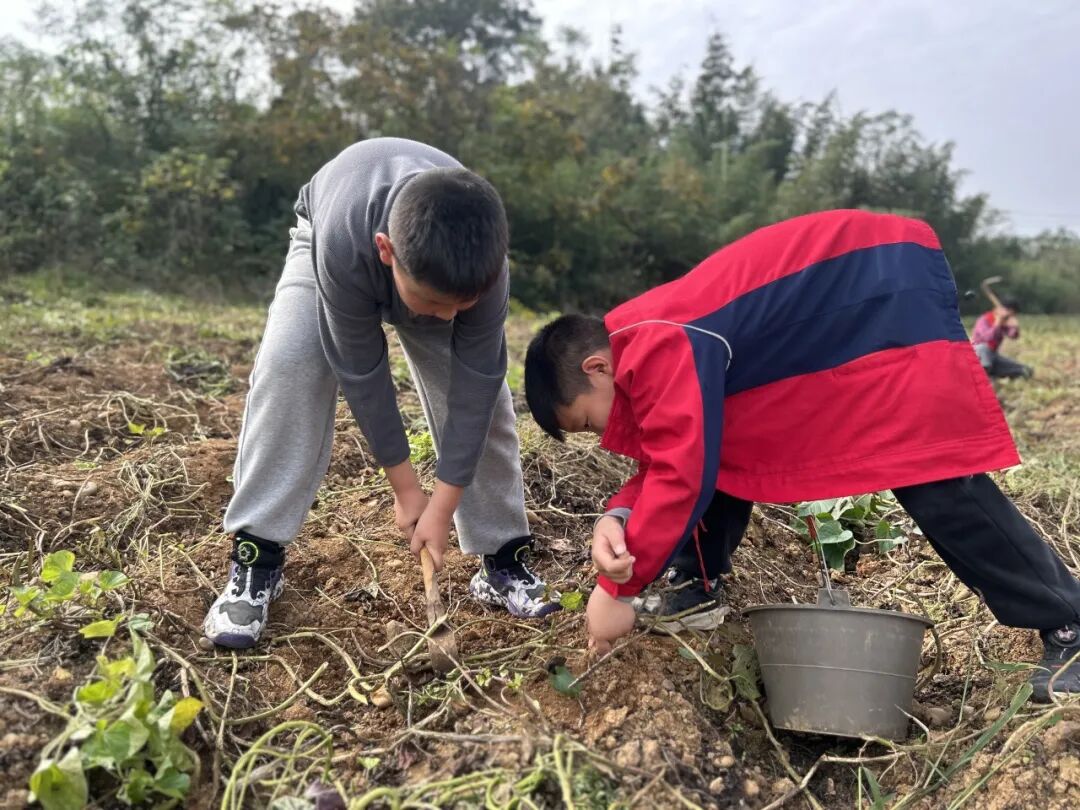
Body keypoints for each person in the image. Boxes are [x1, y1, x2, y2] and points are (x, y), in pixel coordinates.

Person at [523, 209, 1080, 701]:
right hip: (849, 301)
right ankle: (695, 586)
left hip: (876, 291)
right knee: (726, 453)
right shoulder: (639, 342)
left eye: (589, 421)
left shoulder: (659, 340)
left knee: (929, 472)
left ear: (597, 368)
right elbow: (675, 452)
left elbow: (682, 471)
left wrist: (616, 588)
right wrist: (619, 517)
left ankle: (1067, 624)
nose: (602, 435)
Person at [204, 138, 559, 649]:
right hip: (326, 236)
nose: (447, 318)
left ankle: (502, 558)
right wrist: (408, 491)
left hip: (439, 267)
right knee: (291, 364)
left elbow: (475, 391)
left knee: (493, 405)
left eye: (464, 305)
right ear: (385, 251)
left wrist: (441, 507)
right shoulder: (346, 245)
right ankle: (256, 557)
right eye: (436, 304)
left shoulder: (479, 269)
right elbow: (362, 372)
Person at [971, 276, 1033, 379]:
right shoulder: (984, 319)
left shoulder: (1006, 321)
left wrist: (1015, 327)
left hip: (992, 356)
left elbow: (1013, 336)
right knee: (984, 348)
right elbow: (987, 338)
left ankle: (991, 373)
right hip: (977, 355)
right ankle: (982, 375)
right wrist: (997, 323)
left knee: (1026, 371)